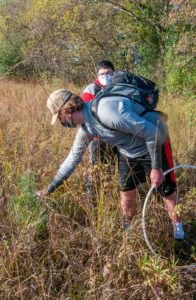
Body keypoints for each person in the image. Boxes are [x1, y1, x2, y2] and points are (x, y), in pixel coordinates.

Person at [36, 88, 185, 240]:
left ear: (66, 111)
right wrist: (49, 188)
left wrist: (156, 167)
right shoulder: (86, 129)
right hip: (128, 152)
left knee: (166, 190)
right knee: (126, 190)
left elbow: (153, 133)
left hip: (153, 142)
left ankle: (178, 230)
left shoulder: (106, 112)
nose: (62, 123)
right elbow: (72, 159)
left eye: (60, 118)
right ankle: (128, 230)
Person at [82, 61, 117, 195]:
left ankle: (109, 195)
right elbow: (85, 114)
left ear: (114, 73)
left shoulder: (119, 86)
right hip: (97, 138)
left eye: (109, 73)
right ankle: (92, 198)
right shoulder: (91, 89)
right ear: (97, 75)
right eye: (102, 74)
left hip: (117, 138)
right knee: (95, 170)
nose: (106, 76)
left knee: (111, 170)